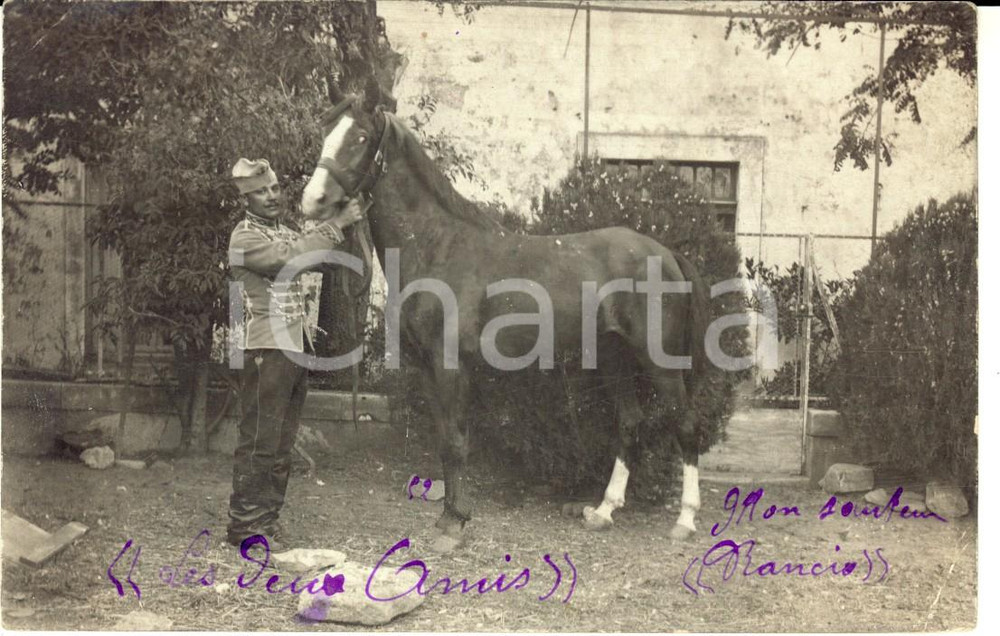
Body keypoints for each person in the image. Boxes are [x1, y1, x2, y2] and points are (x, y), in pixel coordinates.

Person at [226, 158, 364, 549]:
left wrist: (340, 217)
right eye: (259, 192)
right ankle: (243, 529)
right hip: (265, 347)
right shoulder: (244, 238)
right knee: (259, 440)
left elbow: (308, 246)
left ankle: (266, 523)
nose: (271, 196)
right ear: (244, 199)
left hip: (293, 348)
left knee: (282, 443)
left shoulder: (283, 232)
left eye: (273, 189)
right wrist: (335, 226)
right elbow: (289, 257)